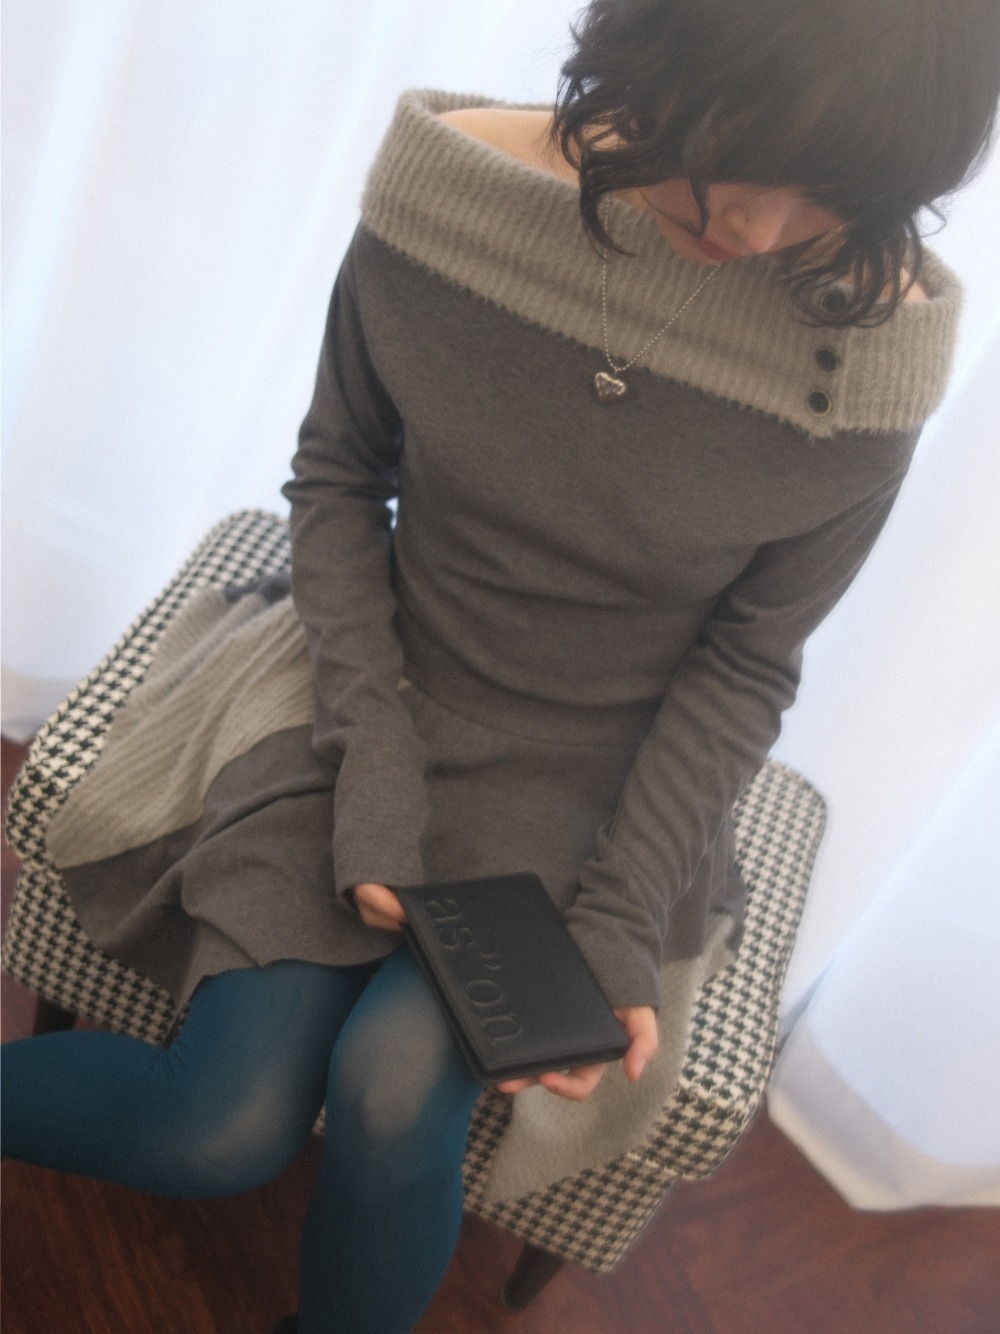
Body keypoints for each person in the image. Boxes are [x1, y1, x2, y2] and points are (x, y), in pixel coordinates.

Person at [3, 2, 999, 1331]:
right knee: (217, 1124)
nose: (765, 231)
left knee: (393, 1086)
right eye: (745, 154)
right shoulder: (451, 202)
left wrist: (620, 919)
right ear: (664, 52)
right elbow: (338, 480)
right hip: (373, 679)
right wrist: (374, 772)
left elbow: (745, 664)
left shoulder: (870, 355)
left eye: (833, 196)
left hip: (603, 771)